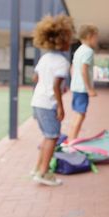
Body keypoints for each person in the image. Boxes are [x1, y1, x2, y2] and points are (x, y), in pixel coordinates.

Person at [30, 15, 74, 186]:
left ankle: (37, 168)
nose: (70, 41)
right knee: (52, 137)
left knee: (47, 136)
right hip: (49, 105)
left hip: (37, 102)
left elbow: (35, 78)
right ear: (61, 39)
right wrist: (61, 108)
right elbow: (56, 87)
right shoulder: (62, 62)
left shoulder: (44, 58)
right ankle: (43, 173)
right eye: (68, 38)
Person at [67, 24, 99, 141]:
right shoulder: (88, 51)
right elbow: (84, 70)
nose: (97, 40)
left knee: (77, 114)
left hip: (75, 87)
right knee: (81, 115)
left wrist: (74, 82)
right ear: (90, 36)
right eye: (96, 37)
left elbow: (72, 68)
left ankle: (70, 138)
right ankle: (72, 141)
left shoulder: (78, 50)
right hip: (82, 89)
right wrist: (89, 88)